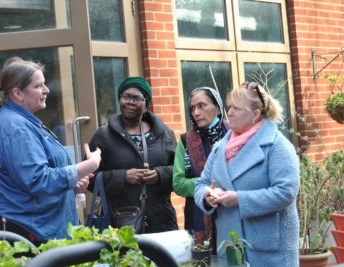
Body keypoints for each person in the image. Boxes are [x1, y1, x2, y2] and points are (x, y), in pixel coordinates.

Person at [0, 57, 101, 246]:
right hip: (27, 235)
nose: (46, 90)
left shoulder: (22, 122)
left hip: (38, 230)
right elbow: (37, 179)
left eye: (44, 84)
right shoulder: (16, 127)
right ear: (18, 93)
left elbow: (32, 177)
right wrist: (91, 164)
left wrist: (71, 183)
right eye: (38, 86)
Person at [194, 81, 300, 266]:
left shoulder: (277, 145)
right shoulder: (220, 147)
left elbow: (286, 192)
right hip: (230, 246)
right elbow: (201, 183)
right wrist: (207, 195)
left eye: (237, 108)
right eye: (229, 107)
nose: (230, 113)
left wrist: (240, 199)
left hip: (268, 250)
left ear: (256, 114)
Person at [89, 76, 178, 233]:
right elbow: (89, 178)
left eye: (136, 98)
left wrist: (160, 174)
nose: (130, 102)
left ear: (146, 103)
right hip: (119, 223)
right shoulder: (104, 135)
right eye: (125, 97)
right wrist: (123, 177)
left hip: (161, 221)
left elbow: (180, 173)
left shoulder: (165, 134)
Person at [173, 87, 227, 253]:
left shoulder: (233, 134)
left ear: (217, 107)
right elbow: (178, 183)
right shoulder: (185, 141)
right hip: (197, 217)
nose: (196, 112)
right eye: (192, 108)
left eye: (202, 105)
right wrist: (208, 186)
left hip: (231, 212)